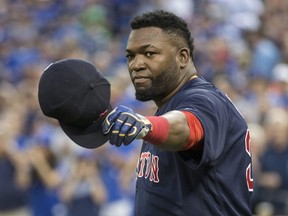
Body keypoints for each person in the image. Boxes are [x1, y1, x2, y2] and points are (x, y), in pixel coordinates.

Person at [102, 10, 253, 215]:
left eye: (149, 53)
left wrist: (146, 125)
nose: (136, 65)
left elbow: (188, 127)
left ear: (182, 57)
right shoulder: (166, 108)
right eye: (130, 56)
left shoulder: (205, 99)